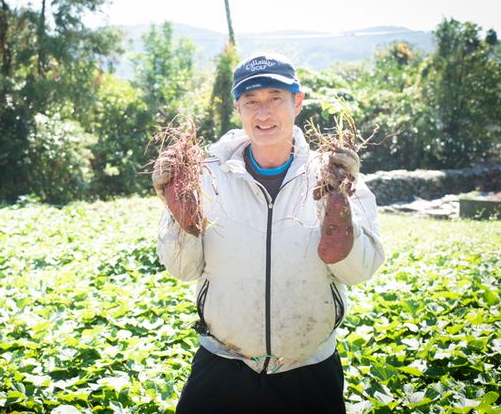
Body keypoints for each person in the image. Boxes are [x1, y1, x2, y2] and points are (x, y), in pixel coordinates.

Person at [152, 52, 385, 414]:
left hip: (308, 367)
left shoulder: (334, 174)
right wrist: (182, 217)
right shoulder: (207, 176)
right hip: (223, 360)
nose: (263, 113)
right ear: (237, 108)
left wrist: (339, 208)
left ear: (298, 101)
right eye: (251, 101)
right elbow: (182, 270)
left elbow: (359, 272)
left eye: (275, 98)